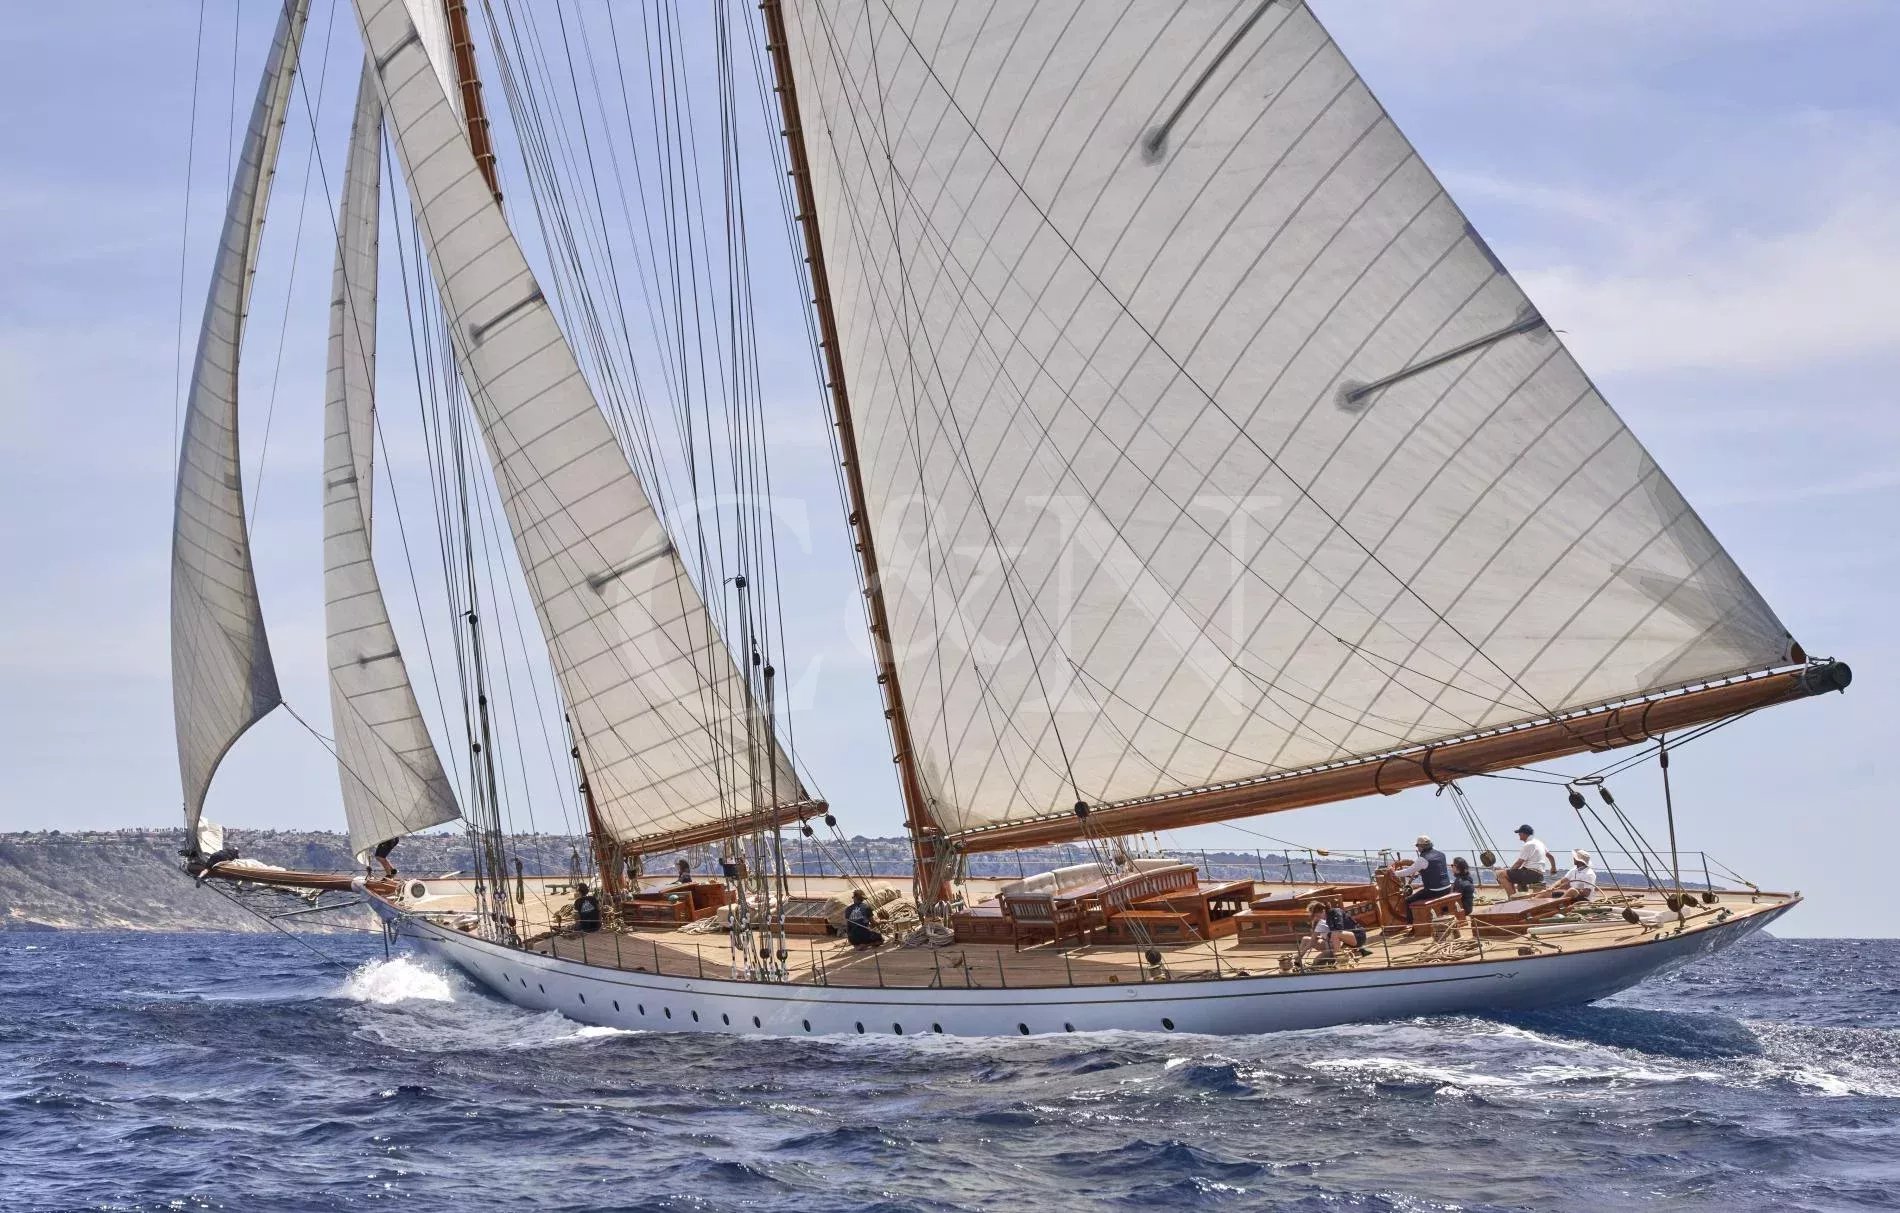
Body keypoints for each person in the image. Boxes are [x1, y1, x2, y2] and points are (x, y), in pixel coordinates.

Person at [1296, 900, 1369, 966]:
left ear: (1323, 911)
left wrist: (1328, 935)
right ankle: (1340, 959)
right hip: (1347, 940)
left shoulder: (1336, 912)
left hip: (1358, 936)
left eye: (1318, 915)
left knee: (1335, 934)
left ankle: (1339, 961)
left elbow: (1339, 928)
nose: (1318, 918)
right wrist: (1326, 936)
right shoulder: (1327, 919)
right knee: (1334, 935)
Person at [1391, 835, 1454, 907]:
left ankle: (1410, 914)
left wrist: (1393, 873)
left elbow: (1408, 872)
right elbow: (1434, 870)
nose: (1417, 848)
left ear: (1422, 846)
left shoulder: (1422, 859)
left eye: (1417, 846)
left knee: (1407, 901)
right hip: (1447, 888)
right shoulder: (1442, 854)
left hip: (1434, 891)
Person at [1498, 824, 1556, 897]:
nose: (1518, 834)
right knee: (1518, 875)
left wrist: (1509, 871)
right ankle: (1522, 898)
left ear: (1523, 833)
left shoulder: (1528, 844)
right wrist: (1553, 868)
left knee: (1501, 874)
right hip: (1540, 875)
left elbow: (1519, 863)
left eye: (1519, 833)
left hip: (1530, 874)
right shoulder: (1540, 843)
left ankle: (1513, 899)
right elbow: (1550, 856)